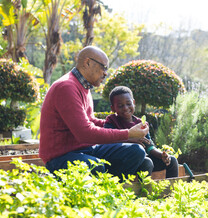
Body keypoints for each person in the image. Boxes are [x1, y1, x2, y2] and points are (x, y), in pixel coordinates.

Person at [39, 46, 153, 179]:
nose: (105, 73)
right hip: (60, 156)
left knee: (137, 153)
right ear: (87, 62)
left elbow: (90, 121)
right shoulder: (67, 87)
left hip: (86, 149)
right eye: (103, 67)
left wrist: (121, 123)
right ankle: (108, 190)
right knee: (96, 166)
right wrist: (128, 133)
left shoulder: (84, 87)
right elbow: (85, 133)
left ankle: (111, 189)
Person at [104, 86, 179, 178]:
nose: (125, 108)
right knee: (147, 162)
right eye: (120, 106)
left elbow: (149, 146)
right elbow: (109, 141)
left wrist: (162, 155)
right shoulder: (111, 121)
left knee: (172, 160)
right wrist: (131, 140)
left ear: (134, 103)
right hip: (126, 162)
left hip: (144, 158)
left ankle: (172, 190)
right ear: (113, 108)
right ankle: (143, 191)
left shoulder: (141, 123)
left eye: (128, 103)